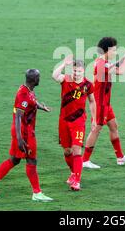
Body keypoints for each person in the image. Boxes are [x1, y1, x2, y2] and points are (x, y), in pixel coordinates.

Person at [0, 69, 53, 202]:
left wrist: (42, 107)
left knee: (15, 159)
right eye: (38, 77)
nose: (39, 79)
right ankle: (37, 193)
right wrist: (20, 138)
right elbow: (18, 117)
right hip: (24, 132)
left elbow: (32, 102)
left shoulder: (28, 90)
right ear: (33, 80)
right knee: (31, 160)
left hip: (25, 131)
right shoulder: (23, 94)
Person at [82, 37, 125, 169]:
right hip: (99, 103)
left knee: (113, 126)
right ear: (106, 50)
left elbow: (115, 65)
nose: (115, 51)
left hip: (106, 102)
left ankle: (120, 157)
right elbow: (121, 71)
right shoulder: (101, 64)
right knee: (96, 129)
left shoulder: (104, 61)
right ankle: (84, 160)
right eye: (113, 49)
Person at [52, 56, 97, 191]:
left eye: (79, 71)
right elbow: (54, 76)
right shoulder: (65, 79)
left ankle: (76, 181)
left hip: (78, 121)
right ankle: (73, 173)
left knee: (77, 150)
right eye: (75, 71)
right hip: (64, 120)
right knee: (67, 151)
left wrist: (94, 119)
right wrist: (63, 64)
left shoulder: (88, 85)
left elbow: (92, 101)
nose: (77, 74)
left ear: (84, 71)